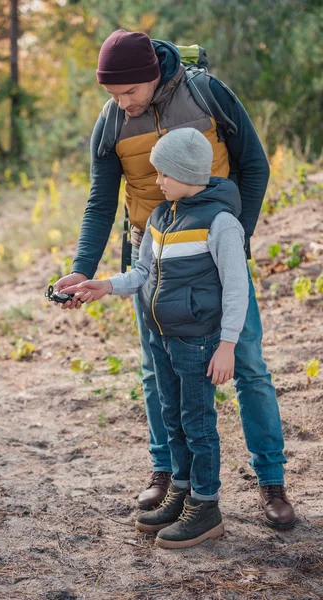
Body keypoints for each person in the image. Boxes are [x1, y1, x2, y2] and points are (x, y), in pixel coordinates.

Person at [56, 29, 295, 530]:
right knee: (157, 370)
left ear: (153, 75)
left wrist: (233, 244)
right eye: (113, 95)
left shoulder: (206, 93)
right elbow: (102, 201)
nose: (121, 103)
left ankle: (272, 483)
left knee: (247, 364)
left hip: (213, 252)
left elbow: (254, 166)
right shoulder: (112, 120)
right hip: (154, 257)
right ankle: (170, 474)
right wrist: (84, 267)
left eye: (129, 93)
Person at [63, 128, 249, 548]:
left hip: (200, 342)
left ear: (185, 173)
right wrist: (105, 284)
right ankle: (182, 492)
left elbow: (237, 287)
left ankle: (206, 506)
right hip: (163, 339)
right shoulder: (161, 218)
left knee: (198, 424)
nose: (157, 182)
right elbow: (144, 273)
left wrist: (227, 345)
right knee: (173, 418)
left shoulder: (220, 223)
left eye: (163, 174)